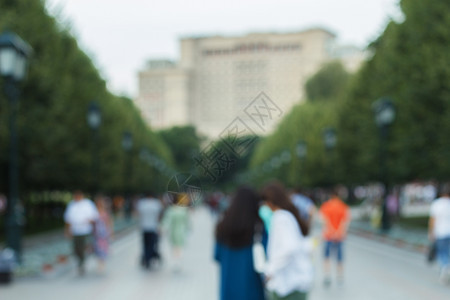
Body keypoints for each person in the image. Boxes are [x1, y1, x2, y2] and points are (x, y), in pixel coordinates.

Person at [262, 182, 313, 300]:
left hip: (289, 285)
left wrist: (270, 270)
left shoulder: (280, 218)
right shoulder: (287, 215)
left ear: (270, 201)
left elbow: (289, 248)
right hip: (295, 282)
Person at [214, 186, 266, 300]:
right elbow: (266, 255)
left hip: (228, 290)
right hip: (253, 289)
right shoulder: (259, 228)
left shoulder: (222, 227)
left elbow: (217, 256)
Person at [319, 189, 350, 287]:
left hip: (328, 236)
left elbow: (324, 220)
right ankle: (340, 276)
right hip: (340, 236)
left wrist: (332, 231)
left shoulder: (326, 206)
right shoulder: (343, 206)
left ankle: (327, 276)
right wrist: (338, 232)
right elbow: (345, 221)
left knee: (327, 257)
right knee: (339, 258)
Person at [64, 190, 99, 275]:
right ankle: (80, 261)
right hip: (75, 230)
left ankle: (82, 263)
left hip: (85, 230)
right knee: (76, 248)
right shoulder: (71, 205)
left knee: (83, 247)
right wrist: (67, 230)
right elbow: (68, 219)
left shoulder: (87, 204)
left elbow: (94, 217)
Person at [162, 193, 190, 271]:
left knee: (174, 247)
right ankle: (178, 261)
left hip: (173, 231)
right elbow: (187, 222)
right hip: (181, 231)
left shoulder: (170, 210)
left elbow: (167, 221)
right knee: (179, 247)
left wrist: (163, 228)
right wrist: (188, 229)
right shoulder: (183, 210)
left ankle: (176, 262)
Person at [428, 186, 450, 284]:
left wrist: (431, 232)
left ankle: (446, 268)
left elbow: (433, 220)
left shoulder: (437, 204)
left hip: (440, 232)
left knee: (442, 253)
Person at [136, 192, 163, 269]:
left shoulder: (141, 203)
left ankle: (146, 258)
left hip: (144, 227)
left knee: (145, 244)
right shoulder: (156, 203)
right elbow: (159, 216)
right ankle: (150, 258)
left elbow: (138, 215)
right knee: (152, 244)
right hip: (153, 227)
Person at [93, 195, 114, 273]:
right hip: (96, 233)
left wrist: (111, 232)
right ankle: (99, 261)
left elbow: (109, 222)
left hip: (103, 233)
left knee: (103, 248)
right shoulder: (94, 211)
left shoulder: (105, 212)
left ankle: (102, 262)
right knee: (97, 248)